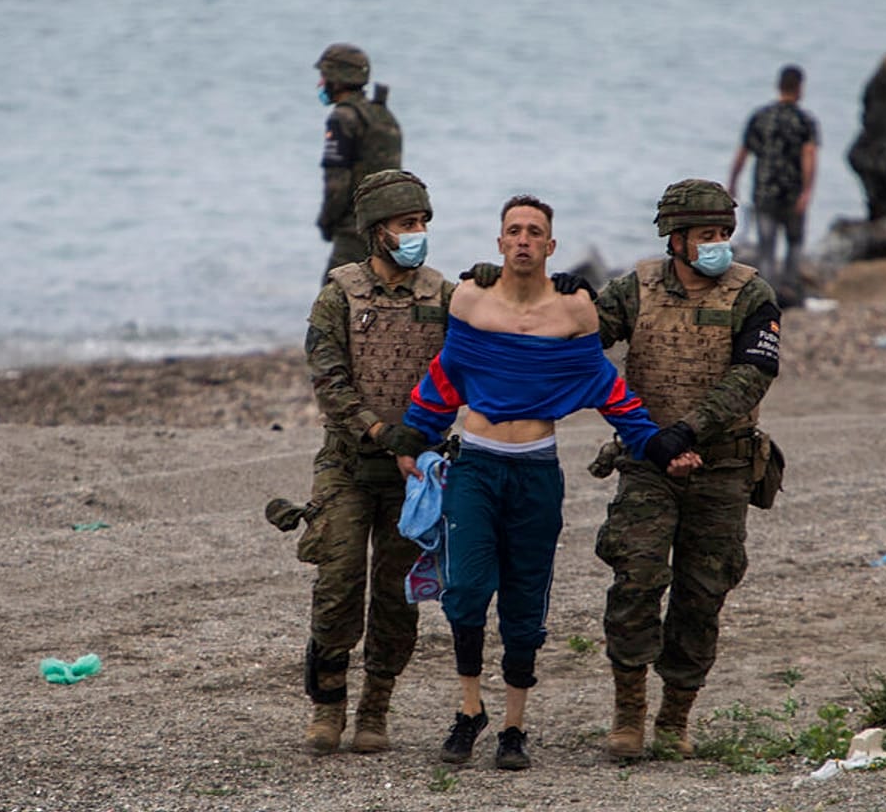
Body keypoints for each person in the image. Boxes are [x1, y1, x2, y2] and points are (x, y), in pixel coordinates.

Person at [395, 195, 699, 771]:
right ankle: (468, 710)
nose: (525, 239)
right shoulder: (468, 302)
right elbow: (445, 377)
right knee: (463, 590)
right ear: (500, 242)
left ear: (551, 246)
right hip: (476, 465)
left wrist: (661, 448)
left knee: (525, 598)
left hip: (536, 470)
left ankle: (513, 726)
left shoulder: (574, 314)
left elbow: (612, 393)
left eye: (535, 231)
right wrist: (413, 439)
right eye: (515, 231)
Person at [591, 178, 782, 759]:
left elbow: (753, 373)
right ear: (676, 239)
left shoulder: (753, 294)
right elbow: (579, 342)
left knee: (703, 594)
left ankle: (675, 720)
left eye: (724, 233)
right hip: (649, 465)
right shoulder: (636, 289)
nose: (719, 244)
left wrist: (689, 429)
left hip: (722, 468)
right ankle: (629, 715)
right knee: (635, 581)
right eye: (706, 234)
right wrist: (561, 299)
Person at [291, 169, 453, 756]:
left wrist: (500, 285)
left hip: (414, 475)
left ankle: (375, 707)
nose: (419, 234)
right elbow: (329, 379)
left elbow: (477, 355)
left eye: (423, 223)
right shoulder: (339, 293)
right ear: (377, 231)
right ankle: (327, 705)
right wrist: (383, 431)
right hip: (349, 463)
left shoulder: (444, 295)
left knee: (396, 593)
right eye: (408, 224)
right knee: (337, 585)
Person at [727, 65, 818, 299]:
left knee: (766, 246)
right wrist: (807, 191)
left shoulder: (761, 117)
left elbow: (742, 153)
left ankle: (768, 293)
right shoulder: (804, 121)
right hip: (793, 193)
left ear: (778, 86)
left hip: (764, 192)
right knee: (794, 242)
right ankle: (789, 287)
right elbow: (809, 156)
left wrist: (733, 183)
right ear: (800, 88)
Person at [315, 43, 403, 284]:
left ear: (337, 78)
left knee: (330, 306)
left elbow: (337, 185)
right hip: (388, 229)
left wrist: (326, 222)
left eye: (324, 76)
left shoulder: (343, 118)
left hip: (353, 230)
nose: (320, 84)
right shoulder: (382, 115)